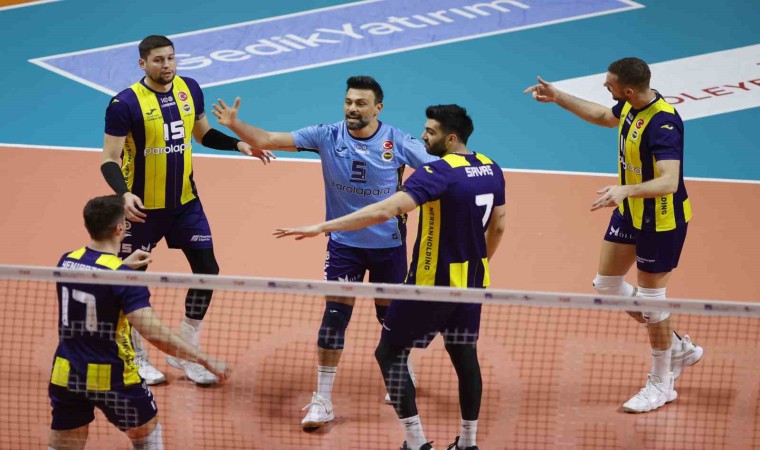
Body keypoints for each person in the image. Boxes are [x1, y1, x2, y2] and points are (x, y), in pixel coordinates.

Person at [275, 105, 506, 450]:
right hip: (471, 285)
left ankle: (415, 441)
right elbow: (498, 227)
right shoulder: (491, 167)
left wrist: (322, 226)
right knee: (464, 357)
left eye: (430, 131)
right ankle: (468, 443)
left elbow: (385, 209)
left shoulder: (435, 172)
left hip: (428, 286)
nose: (423, 136)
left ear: (451, 138)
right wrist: (477, 265)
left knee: (389, 353)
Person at [213, 75, 437, 430]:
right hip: (345, 246)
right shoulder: (327, 135)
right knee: (334, 320)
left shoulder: (398, 141)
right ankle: (323, 400)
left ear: (378, 108)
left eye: (360, 103)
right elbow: (268, 139)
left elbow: (439, 170)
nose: (352, 108)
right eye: (348, 101)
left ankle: (401, 367)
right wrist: (235, 125)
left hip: (388, 247)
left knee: (390, 319)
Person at [524, 57, 703, 413]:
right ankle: (678, 346)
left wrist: (625, 190)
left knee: (653, 302)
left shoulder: (663, 124)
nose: (606, 87)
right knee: (607, 284)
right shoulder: (632, 107)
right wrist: (559, 97)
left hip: (660, 221)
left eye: (610, 84)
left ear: (629, 89)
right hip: (631, 211)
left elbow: (669, 181)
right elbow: (605, 116)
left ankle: (661, 383)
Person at [100, 35, 273, 386]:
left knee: (207, 270)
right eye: (159, 60)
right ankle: (136, 354)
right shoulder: (124, 104)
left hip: (185, 203)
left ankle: (184, 349)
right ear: (143, 64)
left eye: (171, 58)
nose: (167, 65)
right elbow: (109, 159)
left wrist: (239, 144)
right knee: (132, 280)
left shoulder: (189, 89)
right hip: (141, 209)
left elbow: (203, 134)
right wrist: (124, 195)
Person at [48, 195, 231, 450]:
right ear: (120, 229)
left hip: (66, 375)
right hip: (112, 378)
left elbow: (96, 281)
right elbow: (154, 333)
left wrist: (123, 266)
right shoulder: (125, 280)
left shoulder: (67, 261)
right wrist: (204, 359)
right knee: (147, 436)